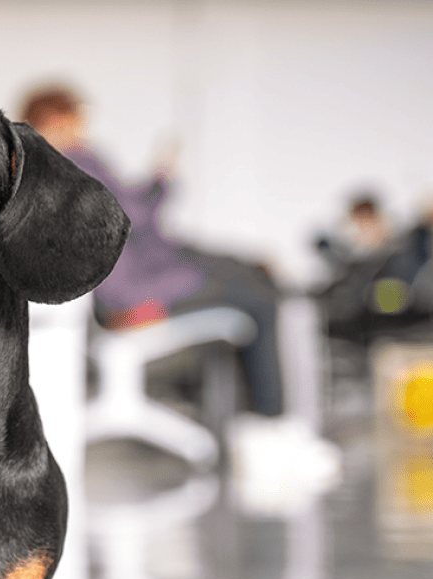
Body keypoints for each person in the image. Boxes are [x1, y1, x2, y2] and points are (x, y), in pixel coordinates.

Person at [20, 85, 286, 418]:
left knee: (249, 278)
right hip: (132, 296)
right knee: (259, 296)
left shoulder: (38, 170)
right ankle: (269, 421)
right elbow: (132, 216)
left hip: (125, 286)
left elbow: (126, 211)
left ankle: (255, 419)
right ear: (56, 119)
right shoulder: (75, 159)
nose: (82, 126)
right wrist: (162, 177)